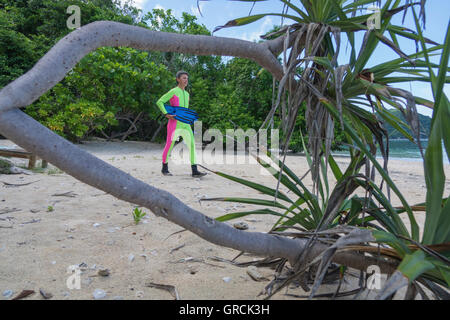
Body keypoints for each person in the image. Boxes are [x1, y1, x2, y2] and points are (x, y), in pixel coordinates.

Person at [156, 70, 206, 177]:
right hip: (174, 123)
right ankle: (164, 169)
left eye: (187, 78)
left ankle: (194, 171)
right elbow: (160, 102)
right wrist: (166, 114)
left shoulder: (187, 94)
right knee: (170, 145)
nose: (186, 80)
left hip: (185, 124)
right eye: (183, 78)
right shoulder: (173, 91)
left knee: (192, 145)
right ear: (178, 79)